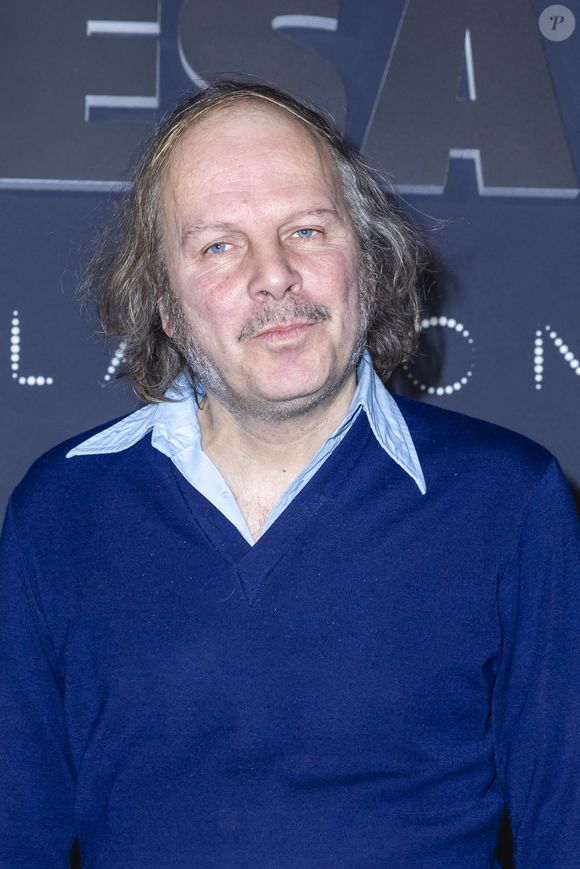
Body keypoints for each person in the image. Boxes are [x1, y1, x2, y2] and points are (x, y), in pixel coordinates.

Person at [1, 81, 579, 869]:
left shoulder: (511, 501)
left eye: (306, 230)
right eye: (218, 245)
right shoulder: (59, 512)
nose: (274, 275)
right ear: (166, 304)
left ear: (366, 265)